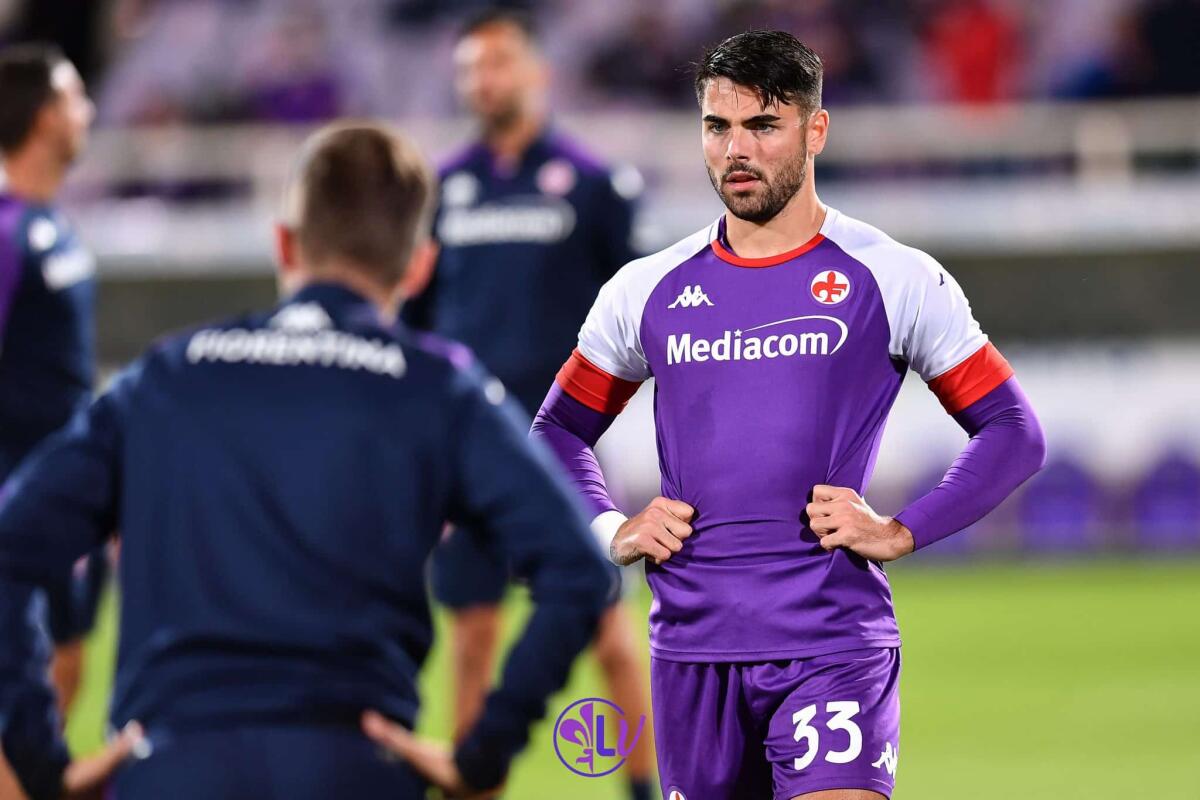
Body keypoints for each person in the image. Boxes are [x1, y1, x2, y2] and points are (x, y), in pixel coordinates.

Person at [0, 121, 612, 800]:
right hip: (354, 768)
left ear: (284, 243)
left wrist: (40, 762)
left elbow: (10, 545)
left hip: (173, 767)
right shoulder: (439, 389)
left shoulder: (165, 377)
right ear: (418, 267)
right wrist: (483, 756)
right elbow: (580, 571)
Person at [529, 31, 1046, 800]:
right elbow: (556, 432)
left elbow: (1013, 432)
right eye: (717, 126)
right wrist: (611, 529)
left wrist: (902, 530)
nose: (736, 149)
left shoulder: (891, 276)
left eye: (763, 125)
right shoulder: (646, 288)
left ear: (815, 130)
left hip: (832, 643)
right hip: (691, 652)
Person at [405, 10, 655, 798]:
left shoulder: (592, 184)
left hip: (562, 448)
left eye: (498, 64)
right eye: (470, 69)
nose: (484, 81)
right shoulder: (441, 190)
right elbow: (415, 326)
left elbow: (634, 315)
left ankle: (647, 787)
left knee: (607, 629)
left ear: (538, 72)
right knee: (472, 633)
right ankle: (473, 786)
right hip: (467, 450)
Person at [0, 43, 112, 796]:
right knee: (24, 674)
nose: (88, 111)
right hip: (19, 488)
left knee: (67, 661)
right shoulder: (8, 231)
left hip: (65, 487)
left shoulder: (51, 225)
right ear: (45, 117)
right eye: (75, 97)